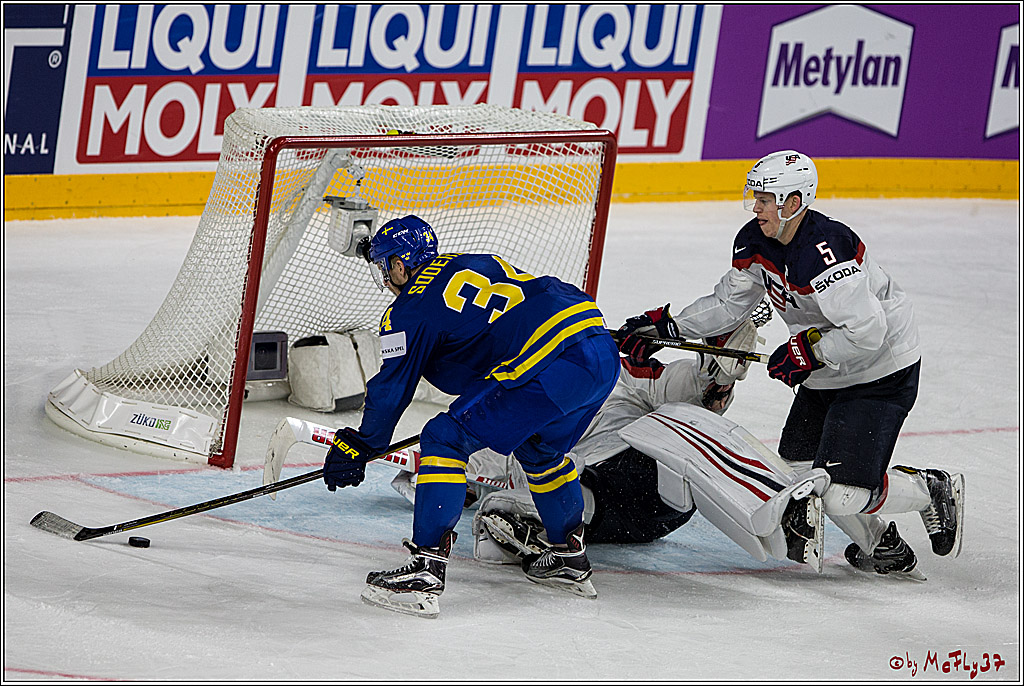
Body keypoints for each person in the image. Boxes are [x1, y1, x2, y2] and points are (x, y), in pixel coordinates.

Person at [617, 150, 964, 580]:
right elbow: (729, 305)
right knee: (800, 476)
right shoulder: (756, 241)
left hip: (880, 370)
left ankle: (929, 490)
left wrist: (809, 352)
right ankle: (880, 544)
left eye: (766, 199)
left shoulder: (826, 252)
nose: (756, 207)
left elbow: (868, 332)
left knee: (840, 495)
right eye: (756, 198)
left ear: (794, 202)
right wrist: (668, 326)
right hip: (828, 371)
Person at [391, 300, 834, 572]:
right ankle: (536, 537)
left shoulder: (613, 370)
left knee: (675, 418)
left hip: (656, 490)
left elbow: (676, 386)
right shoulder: (503, 408)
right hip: (597, 512)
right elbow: (460, 467)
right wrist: (441, 474)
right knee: (508, 507)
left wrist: (713, 373)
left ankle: (782, 511)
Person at [322, 214, 620, 617]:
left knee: (444, 437)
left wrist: (363, 443)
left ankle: (424, 572)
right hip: (599, 349)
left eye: (385, 265)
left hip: (550, 360)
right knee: (539, 450)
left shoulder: (409, 309)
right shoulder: (470, 261)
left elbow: (392, 388)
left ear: (399, 263)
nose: (386, 277)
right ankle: (568, 557)